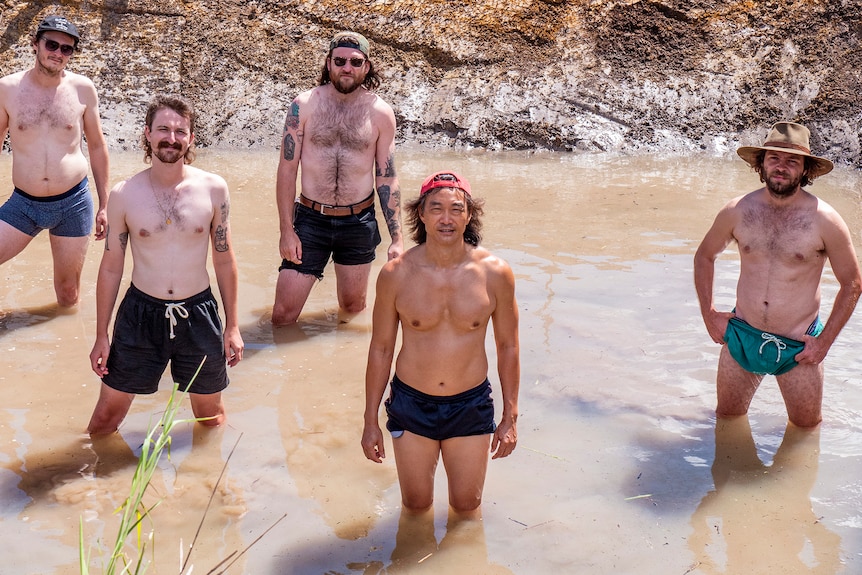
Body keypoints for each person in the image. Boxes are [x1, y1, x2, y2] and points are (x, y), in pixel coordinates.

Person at [361, 171, 520, 517]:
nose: (446, 219)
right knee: (416, 507)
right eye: (436, 209)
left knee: (467, 508)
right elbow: (381, 349)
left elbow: (508, 346)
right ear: (421, 214)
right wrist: (370, 419)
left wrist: (510, 416)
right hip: (411, 403)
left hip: (470, 403)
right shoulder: (396, 274)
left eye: (455, 209)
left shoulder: (496, 273)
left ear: (469, 215)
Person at [87, 95, 243, 435]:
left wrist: (232, 326)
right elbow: (111, 265)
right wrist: (102, 334)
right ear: (147, 134)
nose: (171, 138)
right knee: (104, 421)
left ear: (191, 139)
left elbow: (224, 259)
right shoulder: (124, 194)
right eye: (163, 129)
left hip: (199, 315)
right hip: (140, 315)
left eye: (180, 131)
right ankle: (95, 487)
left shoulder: (214, 189)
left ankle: (205, 483)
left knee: (209, 418)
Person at [694, 121, 861, 428]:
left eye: (792, 161)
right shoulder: (738, 210)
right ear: (761, 164)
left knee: (806, 431)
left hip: (798, 347)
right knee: (727, 421)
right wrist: (709, 314)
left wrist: (824, 342)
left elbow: (852, 283)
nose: (781, 167)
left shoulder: (825, 221)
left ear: (805, 170)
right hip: (742, 337)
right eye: (774, 158)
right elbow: (705, 256)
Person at [272, 31, 403, 325]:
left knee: (353, 308)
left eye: (356, 62)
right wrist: (285, 230)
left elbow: (386, 177)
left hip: (358, 222)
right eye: (340, 60)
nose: (347, 68)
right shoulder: (303, 105)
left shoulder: (380, 113)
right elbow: (287, 170)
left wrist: (397, 238)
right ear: (328, 63)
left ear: (366, 67)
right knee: (282, 316)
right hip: (310, 219)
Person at [0, 15, 109, 307]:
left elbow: (97, 147)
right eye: (52, 44)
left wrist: (105, 205)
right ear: (35, 44)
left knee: (68, 295)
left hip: (73, 202)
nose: (58, 53)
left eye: (67, 49)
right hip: (23, 204)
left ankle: (70, 343)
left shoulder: (83, 89)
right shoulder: (7, 89)